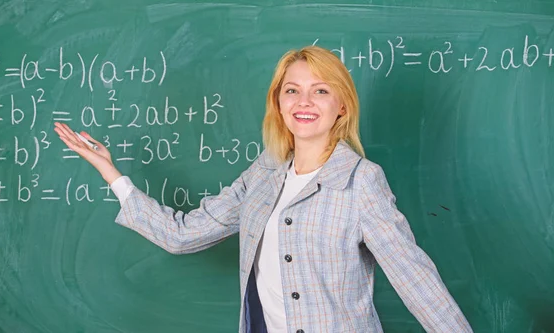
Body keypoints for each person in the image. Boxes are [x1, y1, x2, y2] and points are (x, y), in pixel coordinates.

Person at [54, 46, 472, 333]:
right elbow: (182, 236)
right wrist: (112, 173)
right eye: (292, 90)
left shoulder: (361, 180)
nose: (304, 101)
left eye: (320, 91)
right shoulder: (264, 173)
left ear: (341, 106)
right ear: (278, 102)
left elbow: (414, 278)